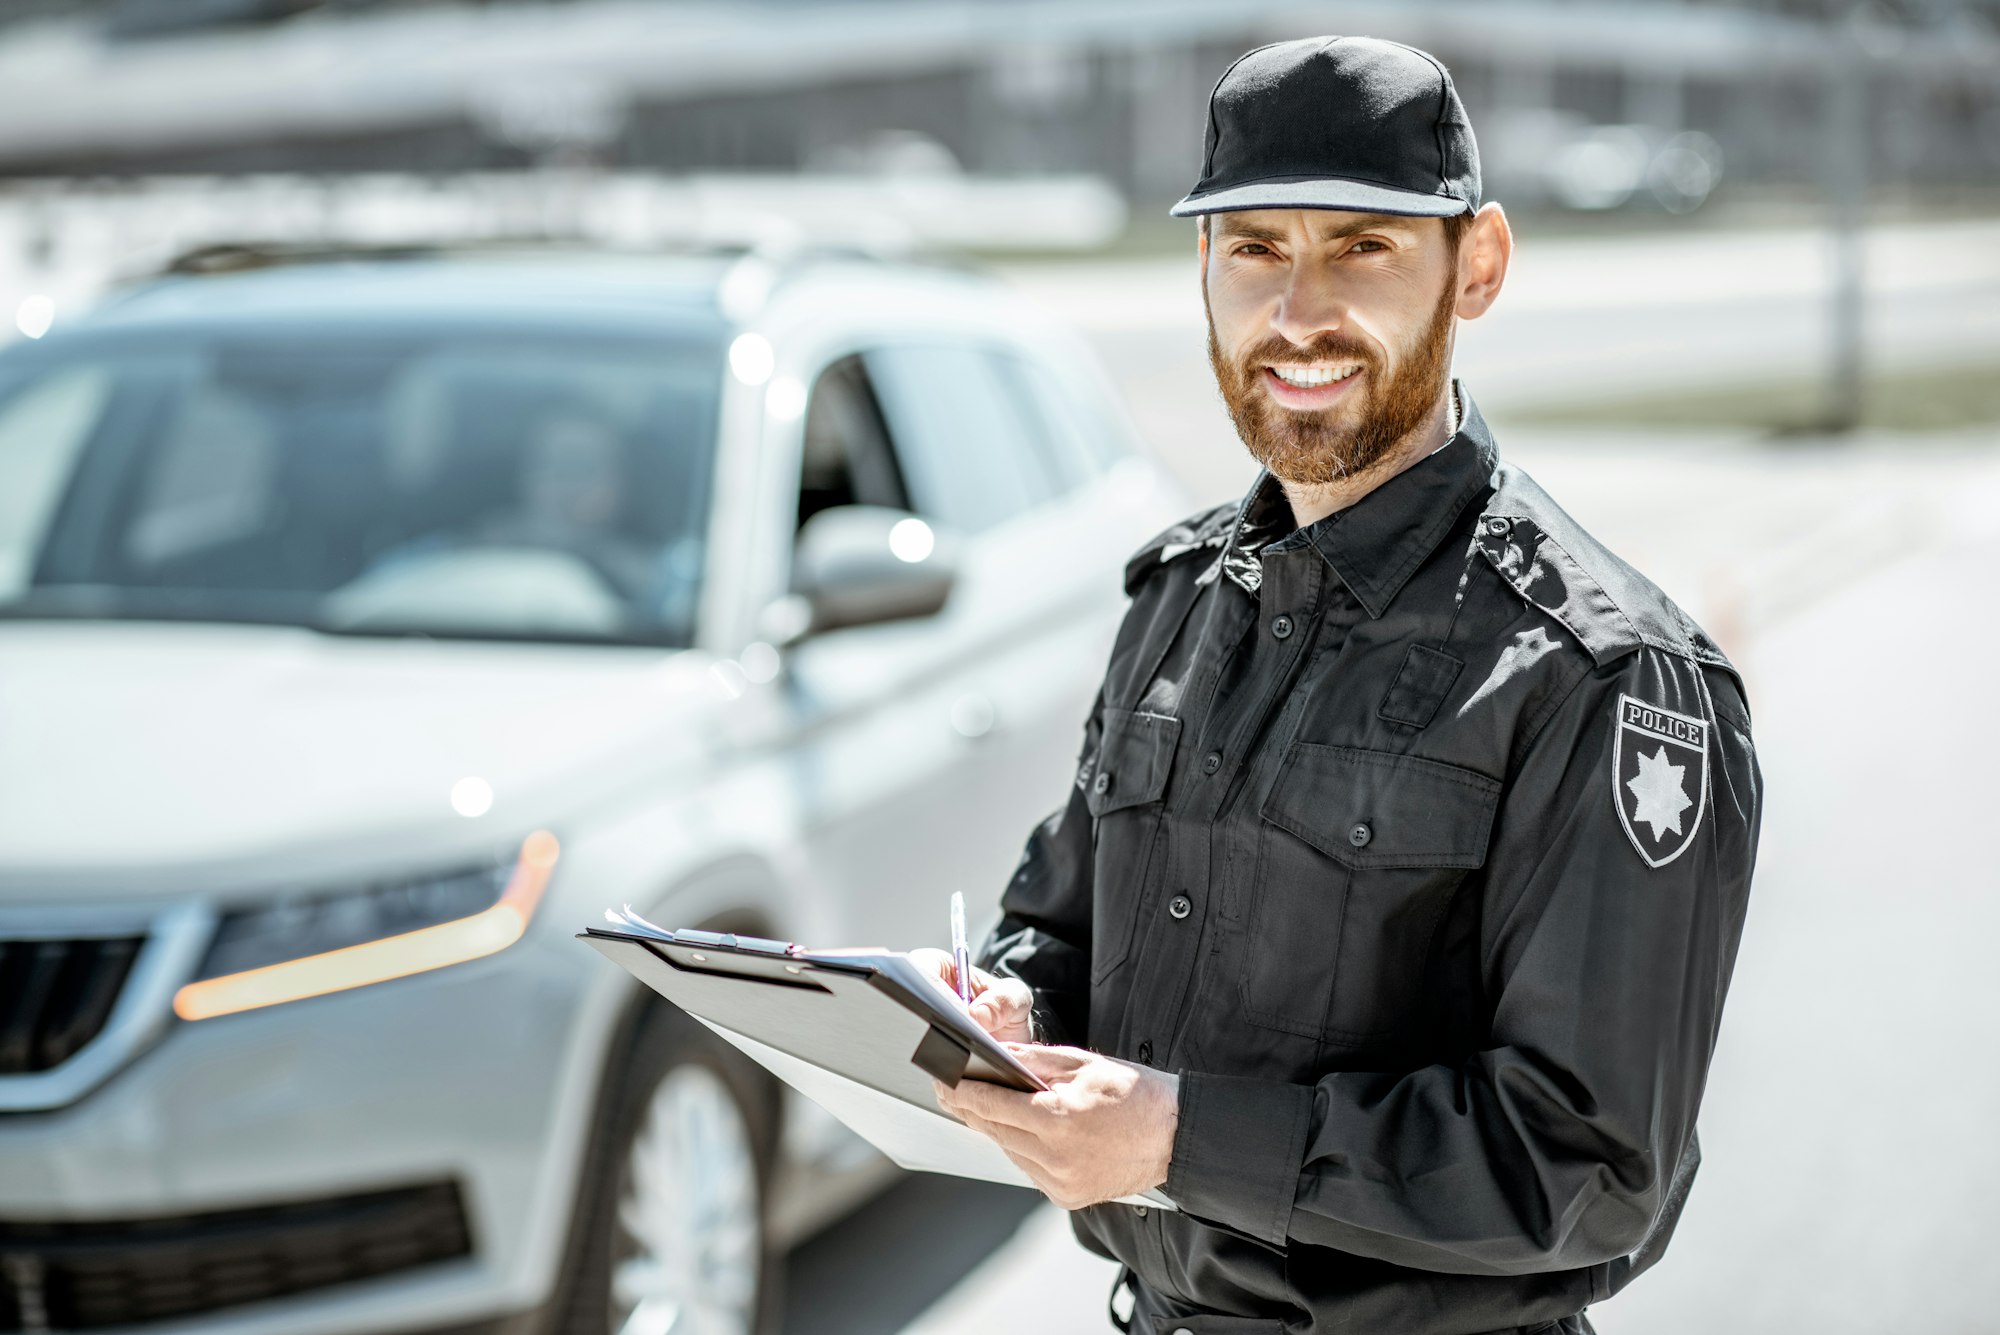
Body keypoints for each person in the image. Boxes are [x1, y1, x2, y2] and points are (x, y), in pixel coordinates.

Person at [910, 35, 1762, 1335]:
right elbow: (1062, 919)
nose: (1298, 313)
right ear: (1205, 271)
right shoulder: (1179, 600)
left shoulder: (1605, 676)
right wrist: (1011, 1001)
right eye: (1255, 248)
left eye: (1362, 248)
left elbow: (1594, 1171)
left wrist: (1179, 1142)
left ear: (1474, 267)